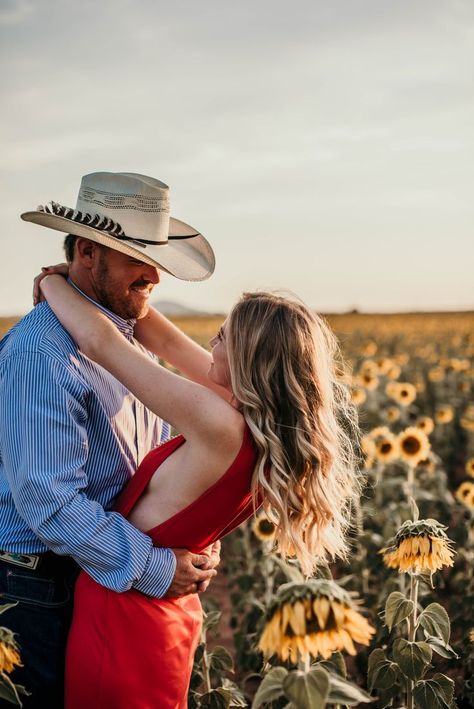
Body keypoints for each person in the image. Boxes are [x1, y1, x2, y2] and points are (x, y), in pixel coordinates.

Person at [36, 270, 361, 708]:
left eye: (222, 337)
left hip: (124, 612)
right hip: (167, 610)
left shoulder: (219, 425)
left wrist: (52, 285)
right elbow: (167, 344)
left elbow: (102, 345)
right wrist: (101, 283)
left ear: (249, 355)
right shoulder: (259, 429)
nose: (210, 343)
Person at [0, 172, 222, 708]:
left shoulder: (122, 333)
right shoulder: (42, 355)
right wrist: (153, 566)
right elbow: (48, 501)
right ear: (87, 253)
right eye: (134, 258)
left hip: (97, 568)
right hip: (40, 587)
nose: (154, 277)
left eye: (157, 261)